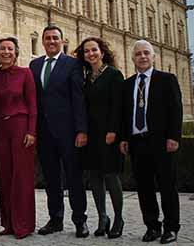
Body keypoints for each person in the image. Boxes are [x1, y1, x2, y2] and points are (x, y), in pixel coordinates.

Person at [119, 40, 182, 244]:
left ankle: (171, 228)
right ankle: (152, 226)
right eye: (138, 54)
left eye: (146, 53)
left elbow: (176, 110)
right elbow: (124, 115)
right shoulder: (128, 85)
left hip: (161, 141)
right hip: (138, 142)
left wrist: (174, 137)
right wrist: (124, 138)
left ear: (153, 56)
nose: (143, 57)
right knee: (144, 188)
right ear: (133, 58)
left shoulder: (166, 79)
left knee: (167, 186)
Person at [29, 25, 89, 238]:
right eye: (48, 38)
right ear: (43, 42)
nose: (51, 41)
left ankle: (80, 220)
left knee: (74, 178)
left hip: (68, 132)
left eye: (55, 38)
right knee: (51, 179)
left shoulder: (72, 64)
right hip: (44, 133)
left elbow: (78, 98)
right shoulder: (34, 65)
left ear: (62, 41)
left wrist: (82, 130)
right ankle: (56, 219)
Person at [74, 37, 125, 238]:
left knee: (111, 176)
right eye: (86, 51)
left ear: (102, 52)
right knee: (94, 177)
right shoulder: (86, 78)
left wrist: (113, 130)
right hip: (91, 134)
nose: (91, 54)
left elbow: (118, 106)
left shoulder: (113, 75)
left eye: (94, 50)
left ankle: (119, 218)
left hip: (108, 134)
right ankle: (103, 217)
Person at [0, 37, 37, 239]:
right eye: (2, 49)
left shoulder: (25, 73)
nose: (6, 52)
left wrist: (31, 131)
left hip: (20, 127)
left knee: (22, 177)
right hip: (1, 128)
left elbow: (33, 104)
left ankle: (24, 225)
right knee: (5, 176)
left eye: (10, 48)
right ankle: (8, 223)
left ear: (16, 52)